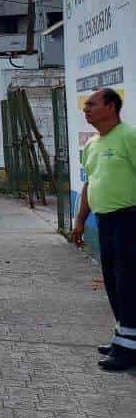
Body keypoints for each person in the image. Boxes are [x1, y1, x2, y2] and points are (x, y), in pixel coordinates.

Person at [71, 88, 136, 372]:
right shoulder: (93, 144)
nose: (86, 109)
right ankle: (123, 338)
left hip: (129, 219)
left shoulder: (128, 137)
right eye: (86, 106)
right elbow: (89, 185)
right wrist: (80, 220)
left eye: (92, 104)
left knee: (128, 282)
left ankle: (129, 349)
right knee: (112, 280)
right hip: (105, 221)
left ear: (110, 107)